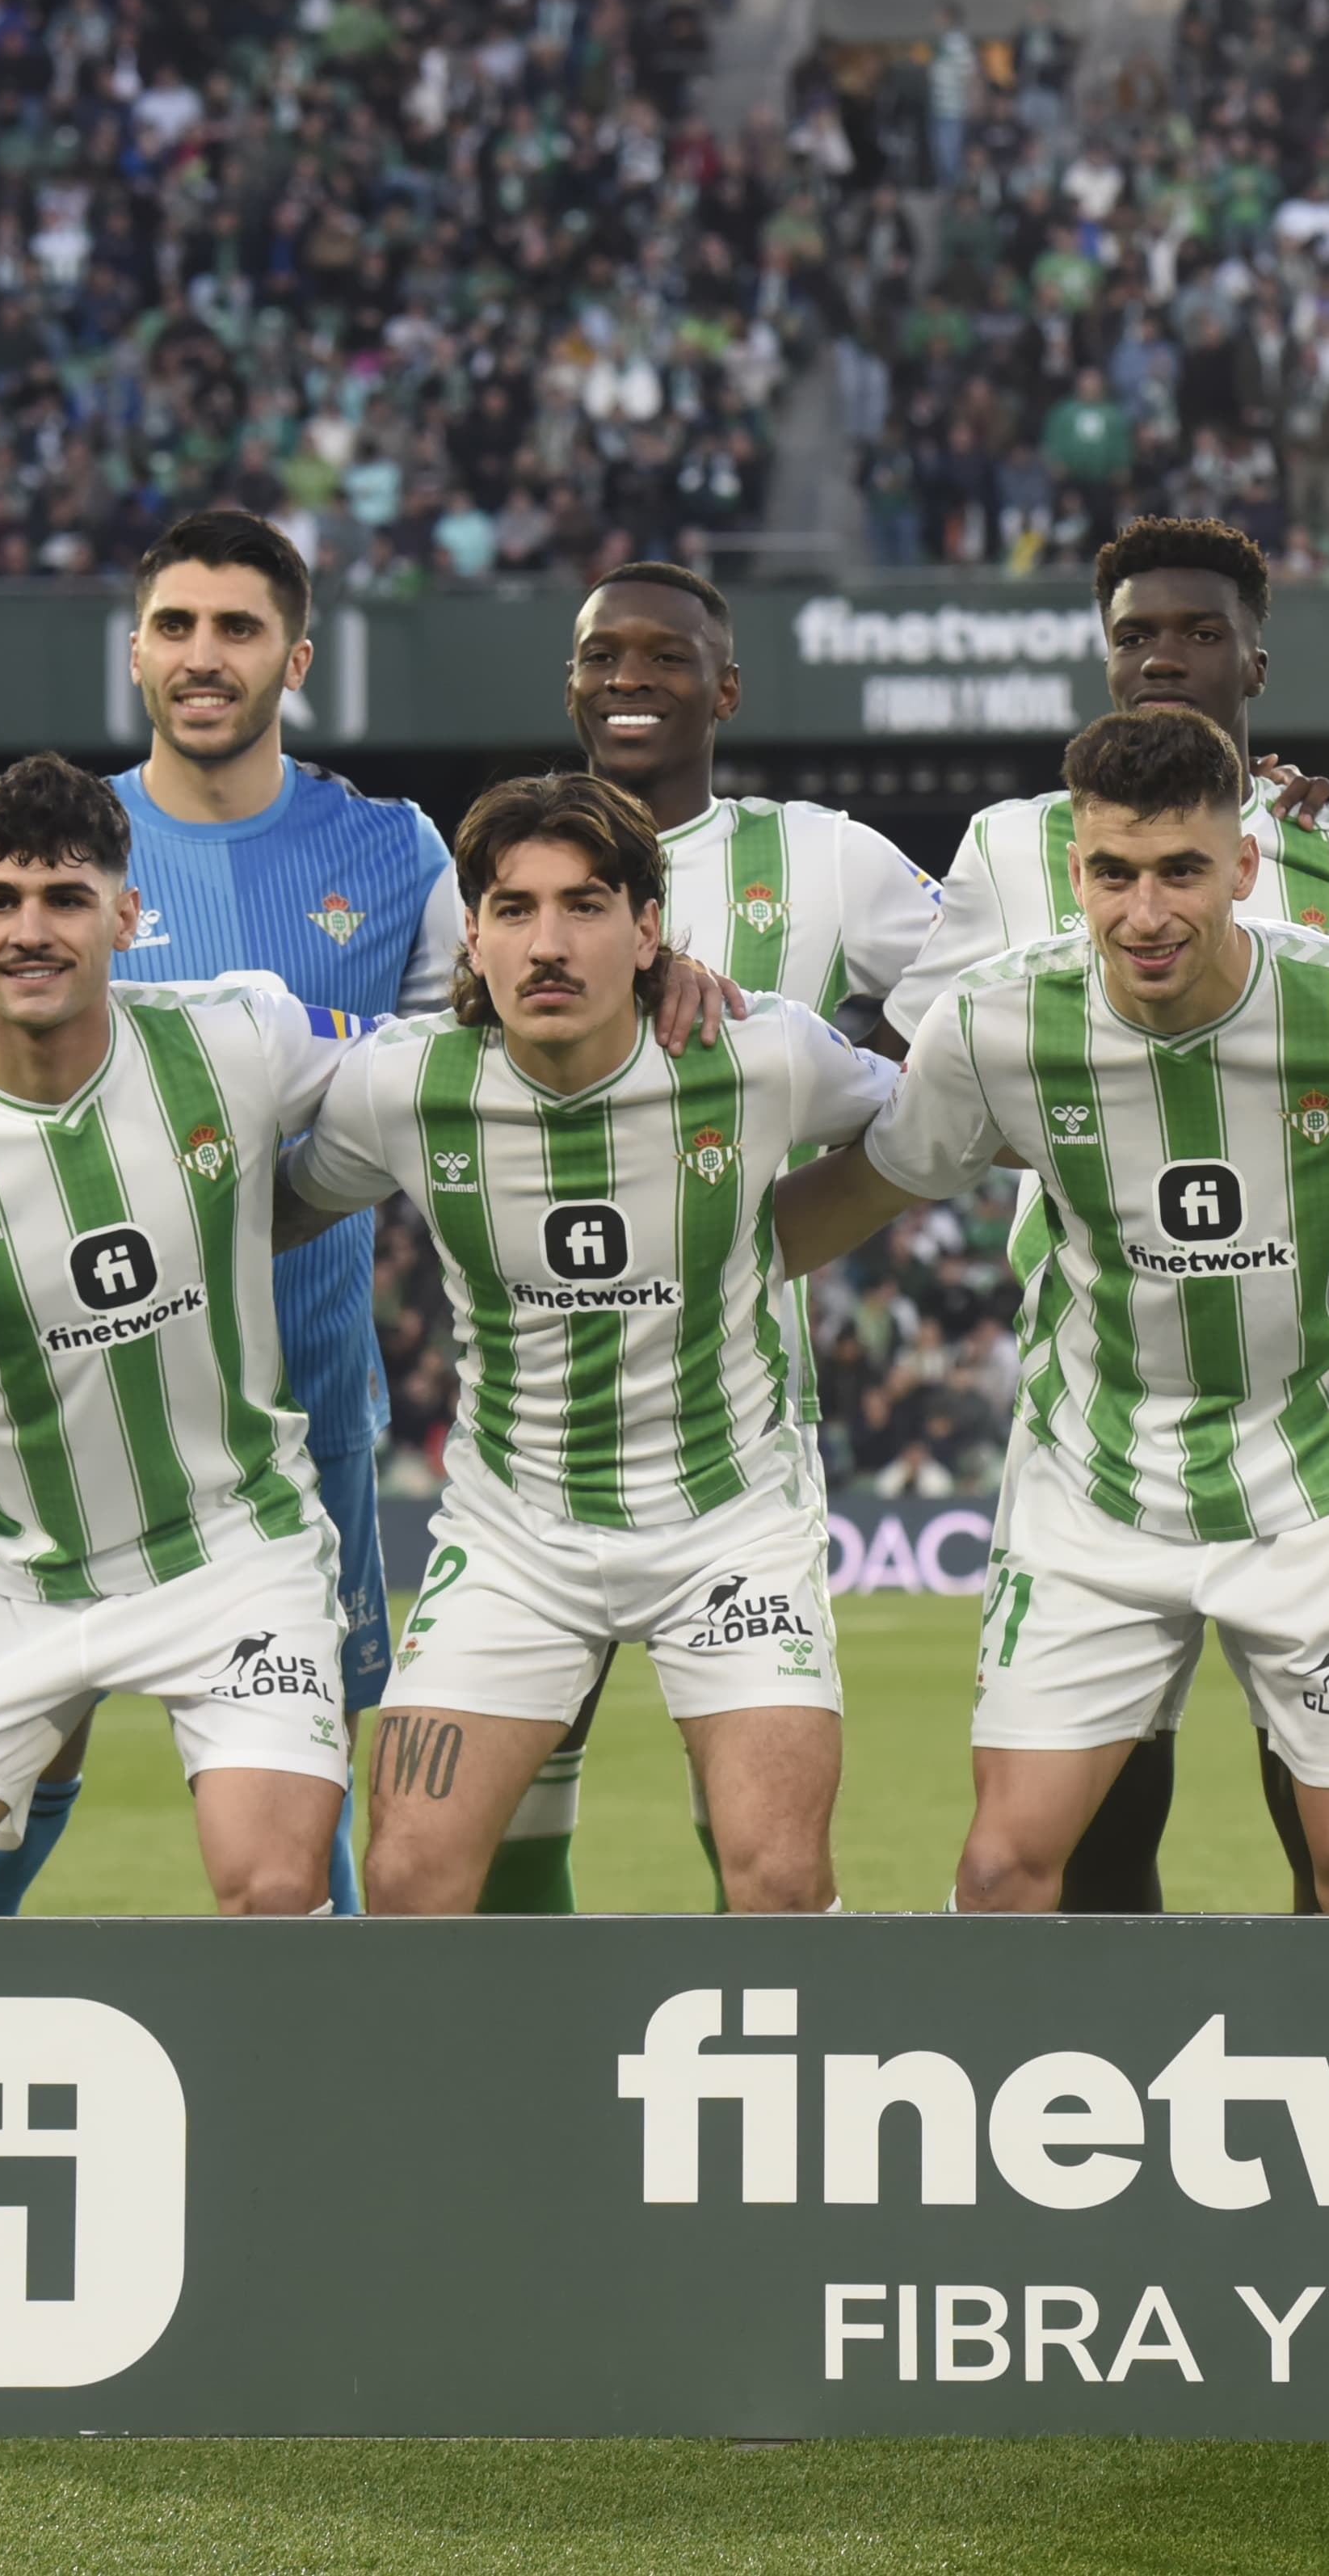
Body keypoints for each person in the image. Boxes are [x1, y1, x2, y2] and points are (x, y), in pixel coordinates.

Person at [769, 709, 1329, 1913]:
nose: (1146, 912)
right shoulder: (996, 1024)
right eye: (1114, 873)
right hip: (1098, 1486)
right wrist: (680, 1265)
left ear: (1243, 865)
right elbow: (869, 1186)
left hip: (1323, 1487)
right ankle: (1048, 2107)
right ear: (1074, 869)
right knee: (1000, 1870)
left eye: (1183, 870)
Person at [0, 509, 455, 1917]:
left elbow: (461, 1086)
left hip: (301, 1394)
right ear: (135, 651)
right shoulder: (55, 844)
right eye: (177, 627)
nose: (205, 657)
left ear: (297, 656)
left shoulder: (396, 849)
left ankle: (311, 2092)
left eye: (239, 628)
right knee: (11, 1770)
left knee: (299, 1771)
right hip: (62, 1407)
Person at [888, 515, 1329, 1915]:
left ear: (1257, 654)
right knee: (1091, 1828)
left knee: (1324, 1824)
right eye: (1135, 633)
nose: (1164, 657)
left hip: (1310, 1406)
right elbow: (942, 1077)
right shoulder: (1014, 847)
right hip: (1103, 1403)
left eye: (1198, 632)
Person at [289, 773, 892, 1916]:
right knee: (411, 1875)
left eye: (585, 905)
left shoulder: (764, 1057)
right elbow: (282, 1206)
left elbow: (922, 1132)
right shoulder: (404, 1086)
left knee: (778, 1876)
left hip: (732, 1524)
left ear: (649, 927)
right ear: (471, 931)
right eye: (513, 909)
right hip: (516, 1532)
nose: (547, 944)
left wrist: (785, 1237)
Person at [0, 756, 362, 1917]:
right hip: (10, 1571)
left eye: (65, 897)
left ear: (127, 914)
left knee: (272, 1884)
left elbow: (421, 1060)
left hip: (231, 1545)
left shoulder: (236, 1035)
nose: (31, 929)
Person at [511, 558, 942, 1913]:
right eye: (602, 656)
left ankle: (742, 2079)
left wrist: (821, 1119)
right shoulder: (501, 865)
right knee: (502, 1814)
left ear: (726, 689)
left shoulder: (823, 858)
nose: (630, 678)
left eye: (665, 656)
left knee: (754, 1833)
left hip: (735, 1423)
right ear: (571, 684)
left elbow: (966, 1018)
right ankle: (535, 2082)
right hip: (521, 1427)